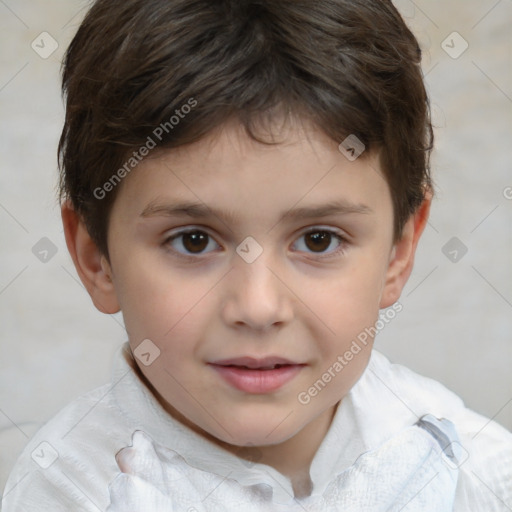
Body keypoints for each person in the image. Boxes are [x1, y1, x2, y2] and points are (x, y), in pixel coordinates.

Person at [2, 0, 511, 510]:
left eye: (318, 240)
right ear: (97, 259)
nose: (259, 307)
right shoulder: (66, 489)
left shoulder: (473, 475)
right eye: (193, 241)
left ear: (399, 253)